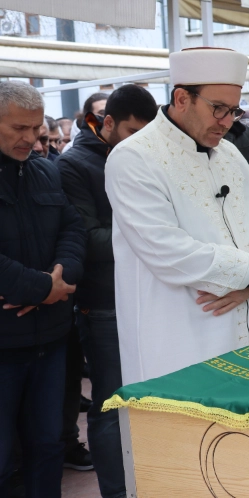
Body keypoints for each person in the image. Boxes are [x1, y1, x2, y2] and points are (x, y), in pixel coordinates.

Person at [105, 48, 249, 385]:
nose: (227, 121)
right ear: (182, 98)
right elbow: (166, 249)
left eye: (234, 110)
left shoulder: (229, 153)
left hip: (247, 320)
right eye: (218, 108)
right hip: (178, 336)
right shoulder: (133, 157)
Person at [57, 83, 157, 497]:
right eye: (133, 132)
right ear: (108, 123)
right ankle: (116, 491)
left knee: (148, 400)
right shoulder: (74, 165)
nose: (141, 143)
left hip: (149, 296)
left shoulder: (143, 159)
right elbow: (87, 239)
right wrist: (156, 236)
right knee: (112, 405)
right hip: (103, 304)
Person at [0, 80, 86, 498]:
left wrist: (61, 277)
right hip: (4, 342)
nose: (31, 138)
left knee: (48, 445)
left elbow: (73, 228)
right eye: (18, 128)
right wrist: (42, 288)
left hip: (50, 340)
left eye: (35, 128)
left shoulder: (45, 171)